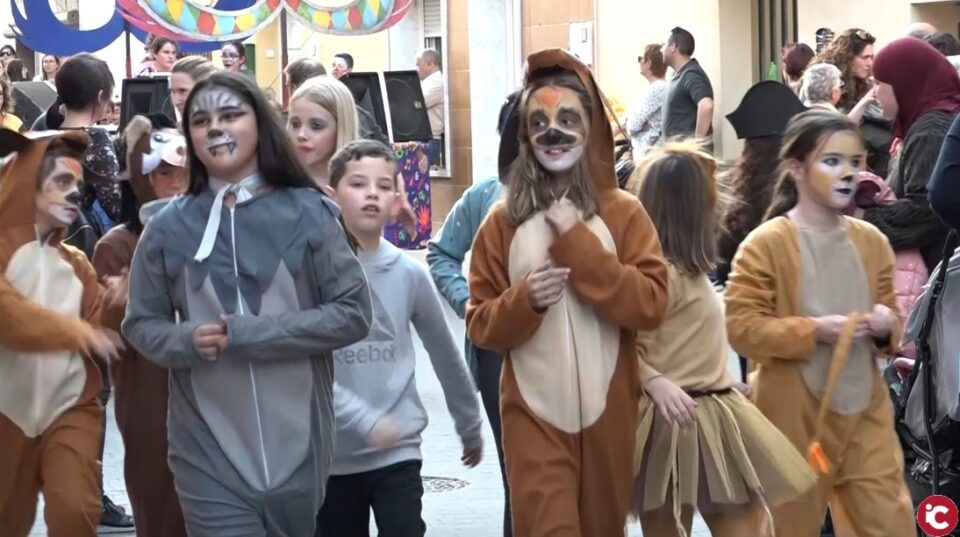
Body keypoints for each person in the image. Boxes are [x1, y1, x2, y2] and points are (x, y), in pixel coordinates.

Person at [121, 71, 372, 536]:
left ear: (259, 123)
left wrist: (257, 333)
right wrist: (184, 341)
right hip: (207, 451)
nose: (216, 128)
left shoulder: (311, 213)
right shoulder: (165, 228)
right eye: (201, 120)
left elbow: (353, 314)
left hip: (300, 448)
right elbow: (140, 324)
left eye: (231, 115)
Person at [466, 49, 669, 537]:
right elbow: (480, 326)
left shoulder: (624, 213)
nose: (552, 132)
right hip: (533, 419)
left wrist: (579, 246)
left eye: (567, 118)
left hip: (609, 417)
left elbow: (651, 303)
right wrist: (525, 300)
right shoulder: (502, 222)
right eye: (539, 121)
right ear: (525, 135)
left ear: (591, 127)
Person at [725, 110, 915, 537]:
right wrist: (814, 331)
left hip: (864, 413)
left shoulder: (872, 242)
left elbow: (893, 322)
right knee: (786, 526)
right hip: (791, 420)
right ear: (795, 168)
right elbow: (741, 328)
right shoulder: (765, 244)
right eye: (832, 161)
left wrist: (887, 326)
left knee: (889, 524)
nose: (848, 173)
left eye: (855, 162)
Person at [628, 141, 815, 537]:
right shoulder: (661, 276)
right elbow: (621, 346)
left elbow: (688, 340)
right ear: (690, 212)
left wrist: (723, 380)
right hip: (671, 420)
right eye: (710, 203)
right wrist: (654, 381)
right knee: (675, 523)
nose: (718, 209)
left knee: (746, 521)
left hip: (712, 407)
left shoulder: (687, 271)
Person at [316, 139, 483, 537]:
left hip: (398, 452)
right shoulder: (315, 274)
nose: (371, 193)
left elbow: (444, 353)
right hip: (333, 458)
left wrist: (469, 422)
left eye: (383, 185)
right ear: (330, 194)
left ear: (396, 197)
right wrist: (362, 420)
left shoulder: (409, 275)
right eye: (357, 184)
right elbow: (308, 369)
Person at [0, 129, 125, 537]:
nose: (75, 194)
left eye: (78, 184)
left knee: (76, 510)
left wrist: (116, 304)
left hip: (70, 406)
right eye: (61, 182)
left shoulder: (76, 263)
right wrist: (78, 333)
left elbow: (100, 331)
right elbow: (10, 316)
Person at [426, 89, 521, 537]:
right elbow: (441, 253)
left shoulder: (590, 200)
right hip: (498, 354)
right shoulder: (485, 196)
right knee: (517, 473)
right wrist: (469, 304)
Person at [93, 113, 189, 537]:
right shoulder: (116, 246)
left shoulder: (215, 232)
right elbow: (107, 331)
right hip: (149, 398)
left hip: (213, 395)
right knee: (158, 505)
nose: (176, 184)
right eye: (163, 173)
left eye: (185, 172)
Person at [864, 37, 960, 274]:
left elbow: (926, 211)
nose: (874, 93)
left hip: (936, 270)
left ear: (903, 83)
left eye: (879, 83)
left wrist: (861, 219)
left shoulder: (930, 130)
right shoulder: (930, 120)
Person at [287, 75, 360, 187]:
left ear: (341, 127)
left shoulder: (363, 188)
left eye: (316, 126)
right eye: (295, 124)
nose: (301, 135)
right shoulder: (273, 184)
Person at [660, 27, 714, 146]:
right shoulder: (678, 75)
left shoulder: (690, 74)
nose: (660, 50)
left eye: (663, 45)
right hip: (678, 157)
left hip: (687, 159)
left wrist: (697, 144)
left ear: (673, 46)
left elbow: (706, 106)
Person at [626, 44, 668, 155]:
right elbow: (629, 118)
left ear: (648, 63)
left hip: (648, 154)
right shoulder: (654, 88)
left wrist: (634, 125)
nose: (639, 62)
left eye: (640, 59)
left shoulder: (657, 89)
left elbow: (632, 125)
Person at [416, 48, 445, 164]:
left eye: (418, 65)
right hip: (422, 139)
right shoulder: (427, 82)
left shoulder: (437, 83)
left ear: (429, 64)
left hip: (430, 139)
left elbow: (418, 103)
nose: (416, 69)